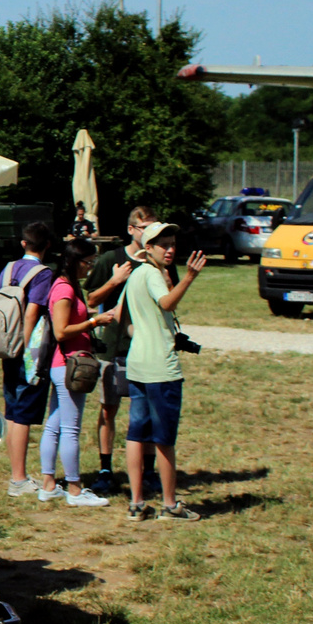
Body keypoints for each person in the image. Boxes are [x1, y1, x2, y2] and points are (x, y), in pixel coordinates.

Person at [84, 206, 178, 494]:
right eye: (143, 227)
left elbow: (170, 299)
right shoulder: (112, 258)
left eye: (153, 226)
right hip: (113, 347)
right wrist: (115, 281)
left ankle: (148, 471)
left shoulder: (162, 259)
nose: (148, 231)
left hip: (147, 350)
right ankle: (105, 468)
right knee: (109, 408)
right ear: (131, 230)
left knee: (146, 413)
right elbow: (90, 299)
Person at [122, 222, 206, 521]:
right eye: (163, 245)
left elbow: (122, 319)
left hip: (137, 365)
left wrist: (146, 334)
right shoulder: (153, 274)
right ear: (149, 249)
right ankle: (170, 505)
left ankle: (136, 503)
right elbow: (167, 302)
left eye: (172, 244)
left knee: (136, 434)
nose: (170, 250)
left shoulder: (134, 275)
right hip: (161, 370)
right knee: (164, 439)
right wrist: (190, 278)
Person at [38, 238, 117, 506]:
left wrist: (88, 316)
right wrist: (94, 321)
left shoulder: (67, 287)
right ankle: (74, 489)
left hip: (64, 366)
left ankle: (49, 485)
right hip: (70, 366)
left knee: (54, 425)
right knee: (70, 429)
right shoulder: (64, 289)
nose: (90, 268)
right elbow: (61, 331)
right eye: (88, 263)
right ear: (75, 261)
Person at [0, 221, 55, 497]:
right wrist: (24, 342)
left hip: (5, 344)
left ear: (23, 243)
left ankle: (15, 473)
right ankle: (19, 479)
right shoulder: (43, 274)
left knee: (11, 408)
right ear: (48, 246)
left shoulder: (9, 268)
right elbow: (33, 311)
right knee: (23, 413)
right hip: (26, 350)